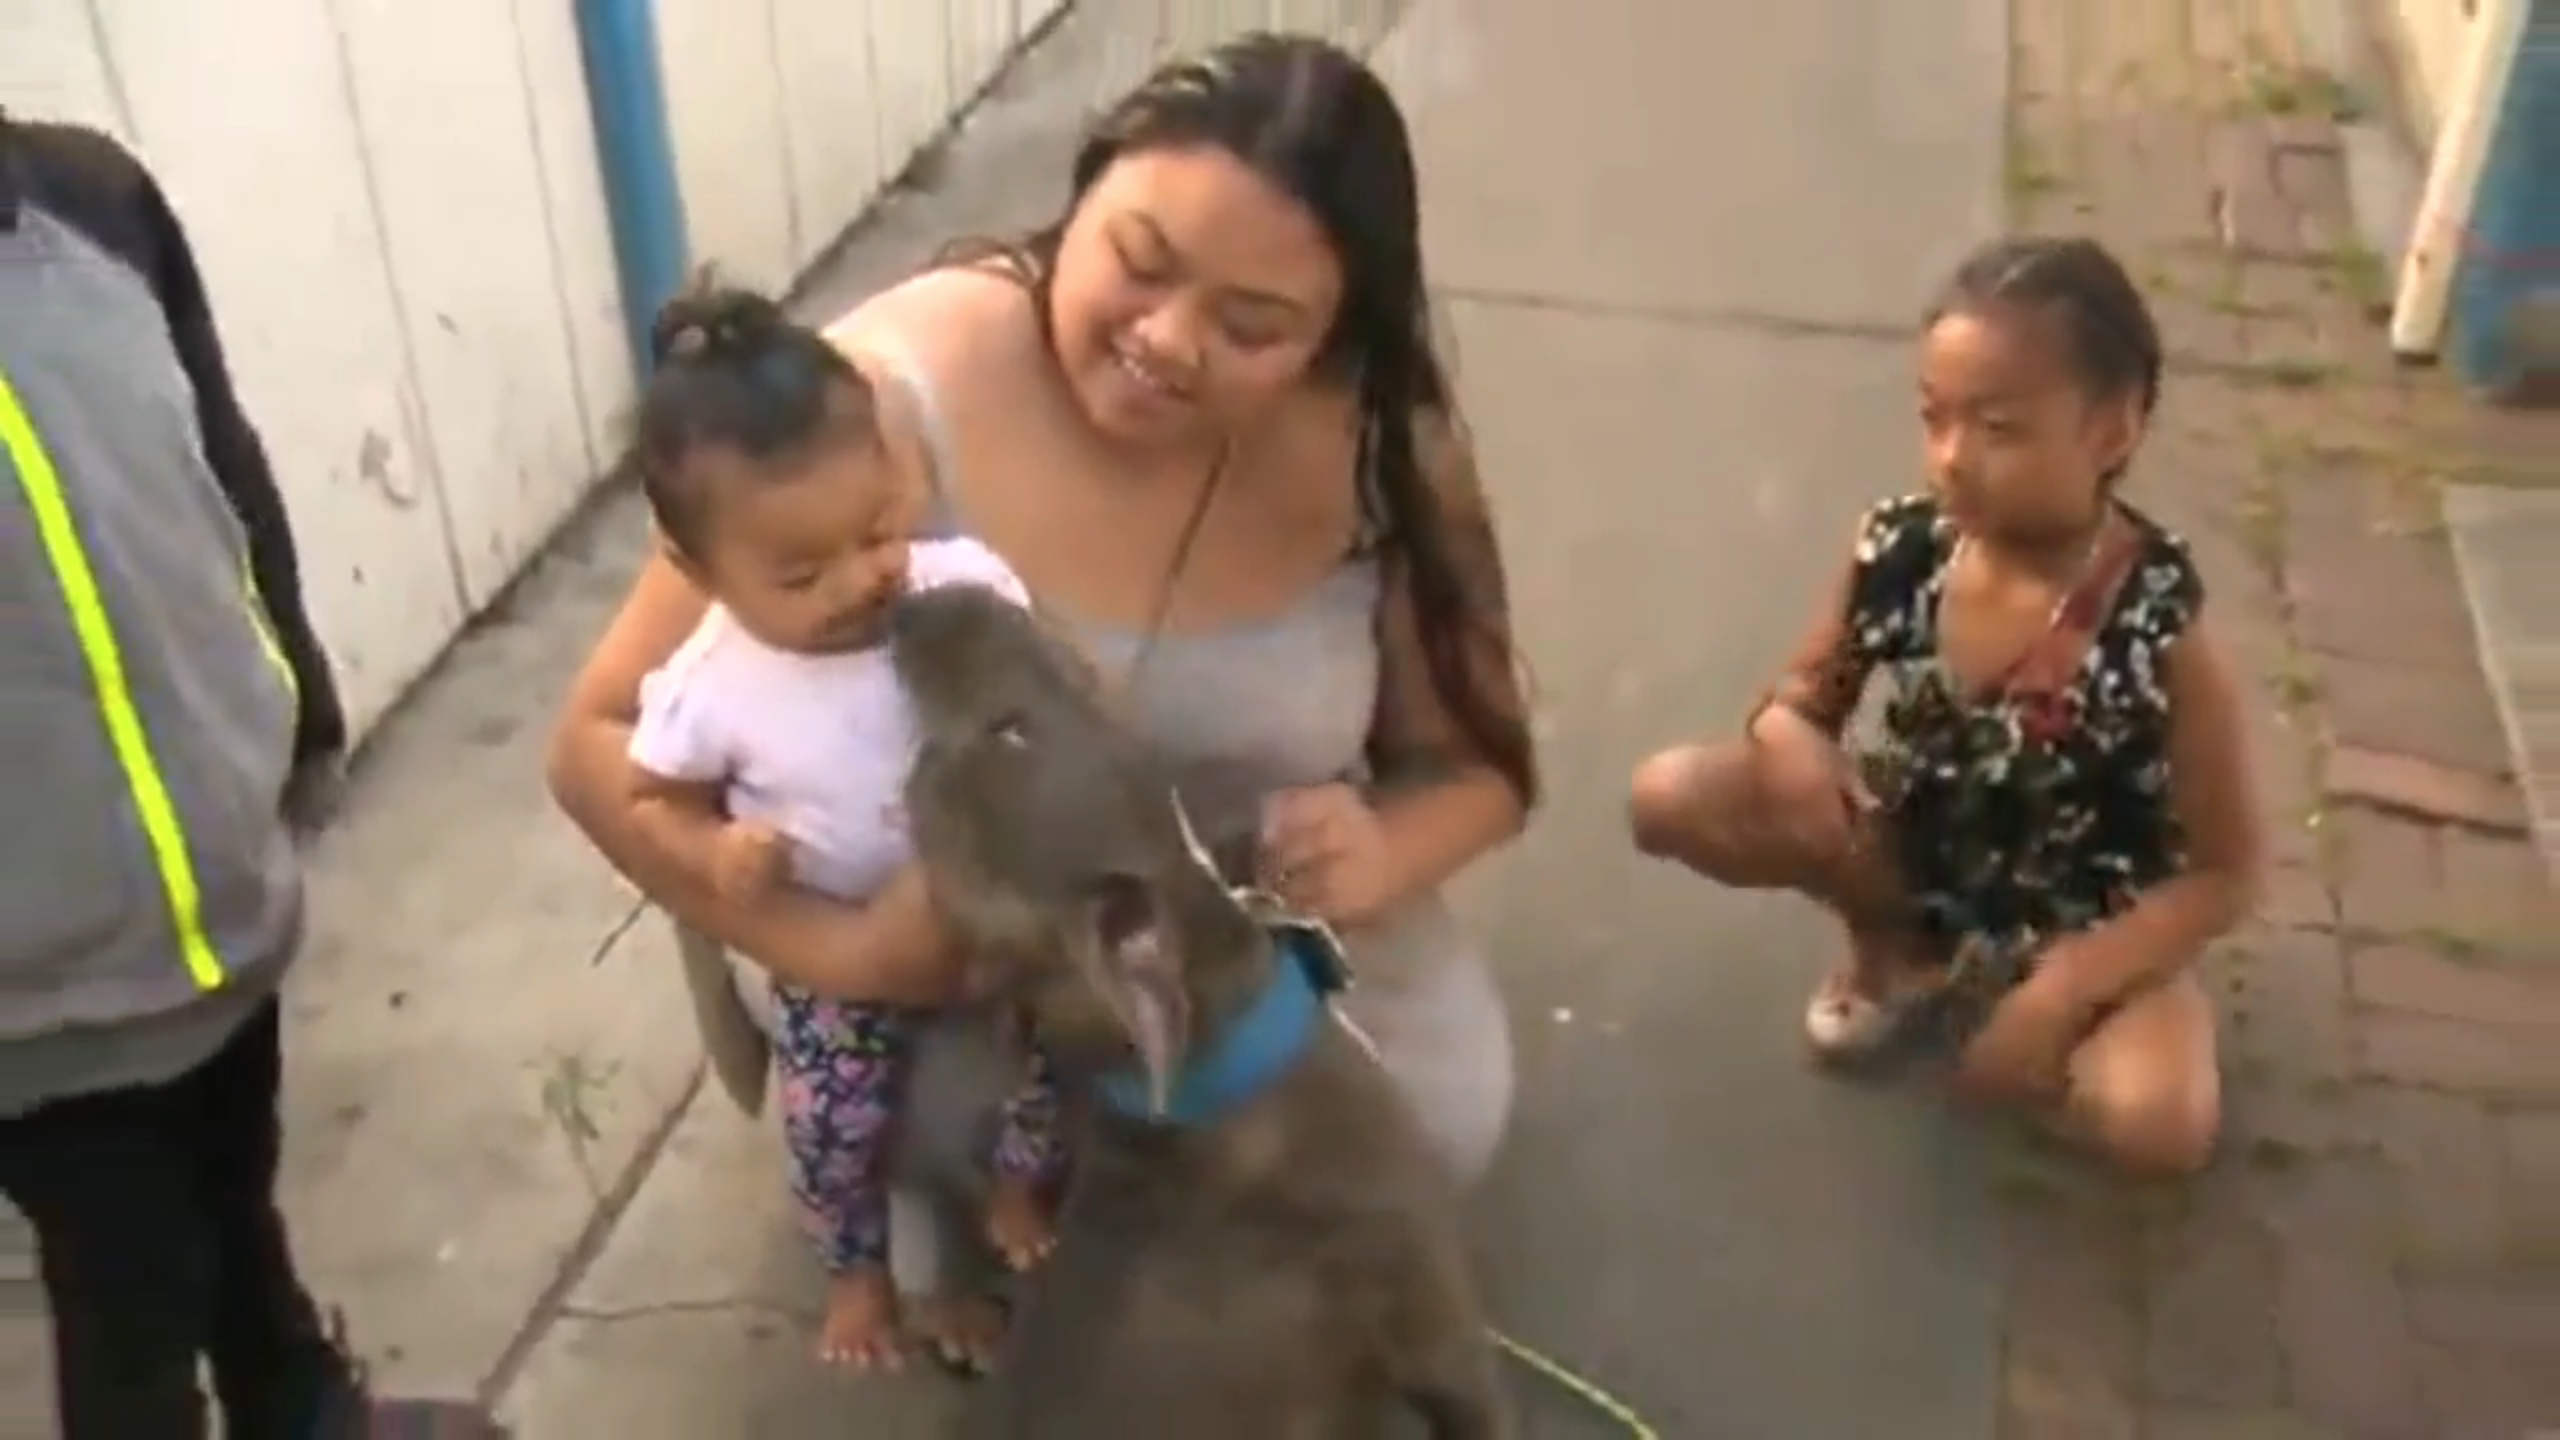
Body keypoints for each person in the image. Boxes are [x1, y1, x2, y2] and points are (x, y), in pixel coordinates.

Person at [546, 33, 1533, 1369]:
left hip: (1235, 940)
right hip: (961, 970)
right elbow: (596, 743)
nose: (1168, 344)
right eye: (1138, 261)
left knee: (1433, 1122)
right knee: (1008, 1130)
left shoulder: (1384, 455)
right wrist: (843, 957)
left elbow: (1482, 770)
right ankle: (932, 1212)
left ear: (1336, 336)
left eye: (1254, 327)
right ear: (1079, 204)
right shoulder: (881, 401)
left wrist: (1389, 847)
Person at [0, 114, 504, 1435]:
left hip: (219, 886)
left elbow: (222, 466)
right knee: (130, 1302)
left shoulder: (87, 201)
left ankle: (298, 1406)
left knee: (234, 1185)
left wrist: (300, 722)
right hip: (35, 997)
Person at [1627, 235, 2258, 1178]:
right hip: (1919, 853)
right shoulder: (1905, 546)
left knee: (2157, 1123)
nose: (1953, 459)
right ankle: (1899, 954)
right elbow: (1805, 691)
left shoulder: (2157, 617)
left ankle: (2049, 1035)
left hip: (2084, 914)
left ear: (2113, 432)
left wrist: (2060, 995)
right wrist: (1789, 735)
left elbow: (2226, 871)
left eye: (2000, 429)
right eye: (1935, 419)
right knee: (1673, 794)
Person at [615, 281, 1064, 1370]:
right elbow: (648, 798)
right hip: (836, 954)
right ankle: (855, 1270)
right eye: (802, 572)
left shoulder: (965, 591)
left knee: (1058, 1055)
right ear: (698, 570)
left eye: (876, 531)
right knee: (831, 1122)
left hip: (993, 913)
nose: (860, 582)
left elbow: (1045, 701)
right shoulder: (713, 682)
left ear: (898, 475)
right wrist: (715, 855)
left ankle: (1021, 1184)